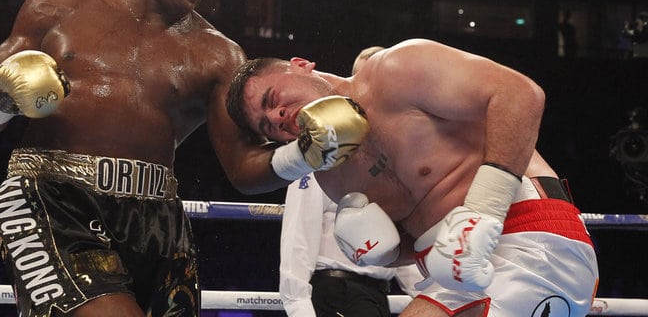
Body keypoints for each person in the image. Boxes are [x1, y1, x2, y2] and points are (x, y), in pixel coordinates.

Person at [0, 0, 349, 317]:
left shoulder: (218, 55)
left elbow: (242, 167)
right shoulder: (58, 5)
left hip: (157, 216)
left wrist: (304, 154)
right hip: (53, 199)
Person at [226, 38, 598, 317]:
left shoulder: (396, 70)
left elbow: (519, 94)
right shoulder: (332, 177)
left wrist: (483, 212)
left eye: (272, 98)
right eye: (266, 125)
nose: (276, 116)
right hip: (457, 274)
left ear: (301, 65)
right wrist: (388, 254)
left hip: (530, 236)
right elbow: (413, 238)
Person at [279, 46, 420, 317]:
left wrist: (437, 293)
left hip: (377, 297)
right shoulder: (324, 146)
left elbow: (395, 243)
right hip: (336, 292)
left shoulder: (399, 156)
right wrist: (298, 306)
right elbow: (299, 232)